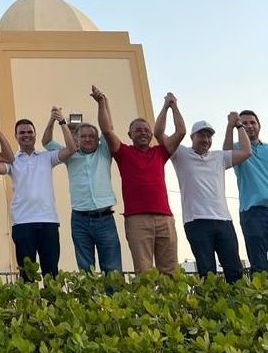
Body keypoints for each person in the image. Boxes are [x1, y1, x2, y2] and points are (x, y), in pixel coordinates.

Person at [96, 87, 180, 274]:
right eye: (137, 130)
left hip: (165, 217)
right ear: (130, 134)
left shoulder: (160, 152)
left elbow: (180, 131)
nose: (143, 133)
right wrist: (102, 103)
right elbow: (107, 130)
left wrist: (170, 106)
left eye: (146, 130)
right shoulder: (124, 153)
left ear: (151, 134)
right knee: (144, 272)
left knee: (170, 271)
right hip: (137, 219)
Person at [0, 110, 76, 281]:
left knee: (51, 273)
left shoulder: (47, 157)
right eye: (22, 133)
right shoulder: (12, 161)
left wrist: (61, 122)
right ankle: (29, 308)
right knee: (27, 275)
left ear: (35, 135)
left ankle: (53, 307)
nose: (26, 135)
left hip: (48, 222)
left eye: (29, 132)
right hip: (22, 223)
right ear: (16, 136)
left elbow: (71, 149)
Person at [42, 93, 123, 274]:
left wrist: (102, 102)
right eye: (83, 136)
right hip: (80, 220)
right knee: (86, 269)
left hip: (105, 218)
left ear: (97, 140)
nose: (87, 139)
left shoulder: (104, 151)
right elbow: (46, 142)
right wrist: (52, 119)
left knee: (112, 268)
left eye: (91, 136)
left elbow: (107, 128)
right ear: (76, 139)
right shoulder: (70, 155)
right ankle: (90, 303)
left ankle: (115, 302)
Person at [170, 113, 251, 282]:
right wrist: (171, 105)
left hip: (224, 222)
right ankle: (211, 308)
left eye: (208, 136)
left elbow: (246, 151)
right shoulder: (181, 154)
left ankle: (236, 306)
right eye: (201, 135)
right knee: (207, 273)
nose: (205, 139)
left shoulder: (219, 157)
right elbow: (161, 135)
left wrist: (237, 126)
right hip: (196, 221)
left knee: (234, 270)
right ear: (192, 136)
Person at [224, 109, 268, 273]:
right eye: (244, 123)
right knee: (259, 264)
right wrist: (231, 126)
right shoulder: (238, 150)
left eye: (252, 122)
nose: (249, 126)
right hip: (252, 212)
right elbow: (225, 155)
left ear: (259, 125)